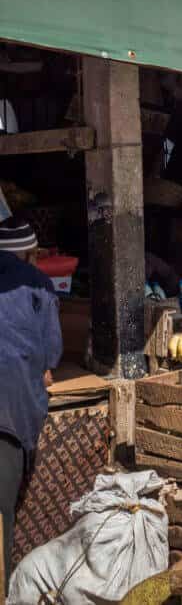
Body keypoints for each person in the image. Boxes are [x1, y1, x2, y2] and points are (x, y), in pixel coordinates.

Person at [0, 217, 62, 586]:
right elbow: (52, 351)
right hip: (8, 415)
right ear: (27, 254)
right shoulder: (38, 285)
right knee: (2, 515)